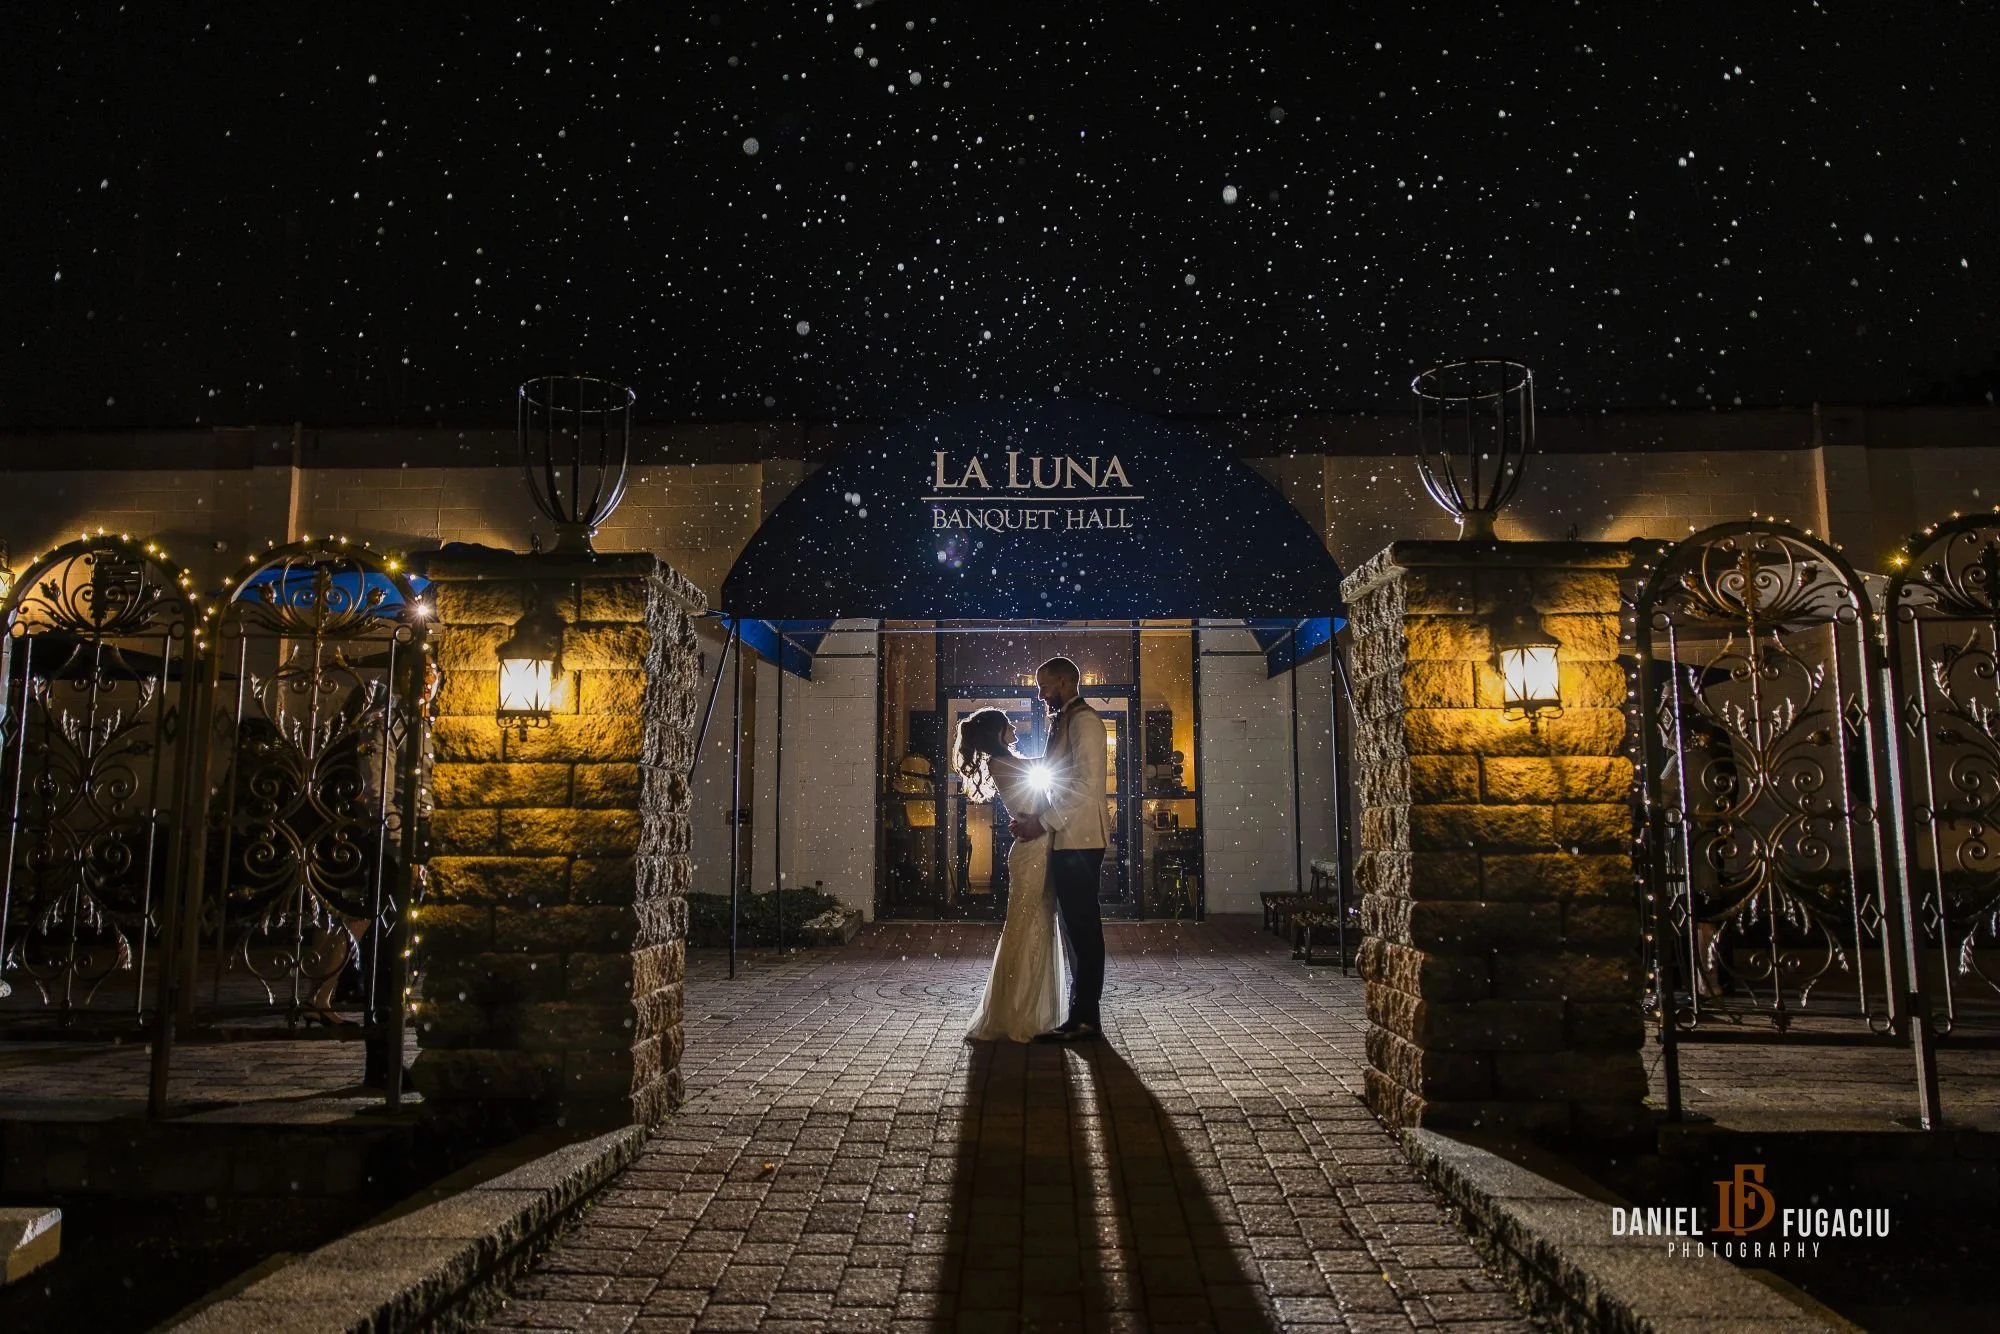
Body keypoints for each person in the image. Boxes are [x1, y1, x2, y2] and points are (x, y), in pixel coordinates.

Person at [1010, 656, 1109, 1042]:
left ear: (1066, 683)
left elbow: (1085, 785)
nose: (1041, 693)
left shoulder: (1085, 722)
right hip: (1070, 836)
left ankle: (1085, 1019)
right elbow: (1055, 775)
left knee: (1082, 928)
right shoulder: (1066, 721)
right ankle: (1080, 1015)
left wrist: (1042, 822)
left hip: (1081, 838)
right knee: (1074, 927)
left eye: (1045, 685)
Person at [957, 708, 1068, 1042]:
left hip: (1036, 846)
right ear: (997, 733)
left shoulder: (1007, 762)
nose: (1015, 729)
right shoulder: (1003, 764)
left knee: (1036, 923)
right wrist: (1058, 732)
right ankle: (1017, 1012)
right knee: (1026, 925)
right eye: (1009, 725)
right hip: (1032, 851)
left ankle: (1028, 1009)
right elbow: (1047, 770)